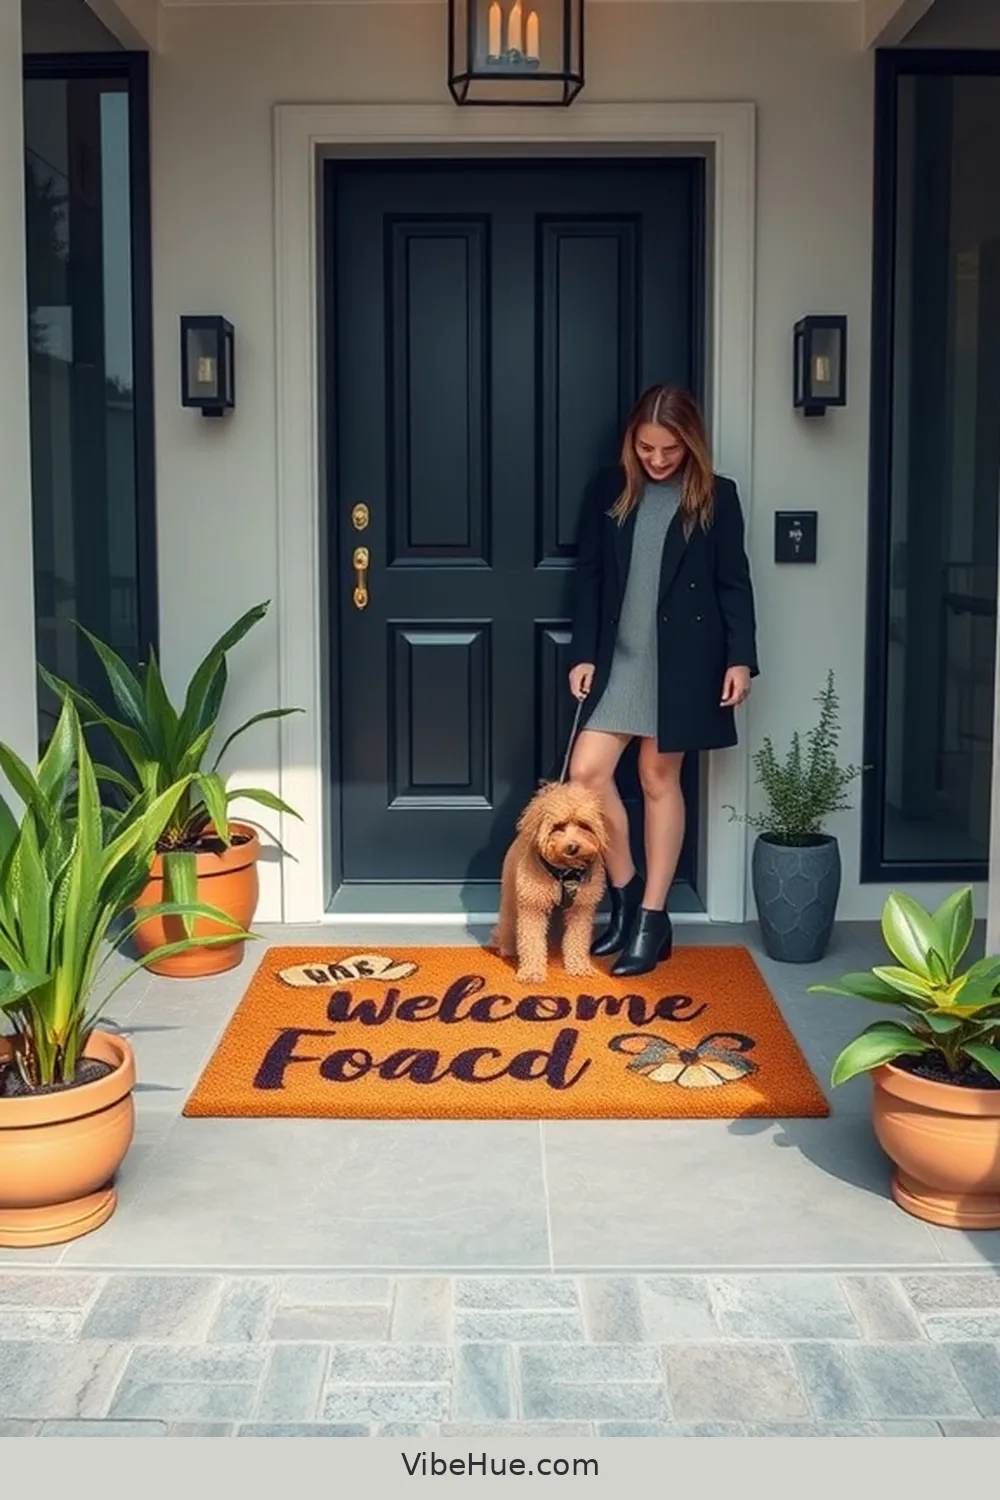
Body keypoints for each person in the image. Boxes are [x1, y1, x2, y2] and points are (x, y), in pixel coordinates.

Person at [568, 384, 759, 977]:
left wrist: (740, 658)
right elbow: (590, 576)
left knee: (657, 777)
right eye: (646, 447)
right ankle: (626, 893)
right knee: (586, 774)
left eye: (669, 450)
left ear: (690, 443)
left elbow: (734, 582)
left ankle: (652, 918)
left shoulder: (717, 496)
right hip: (621, 658)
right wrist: (583, 653)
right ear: (633, 441)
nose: (656, 459)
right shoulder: (611, 488)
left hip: (683, 660)